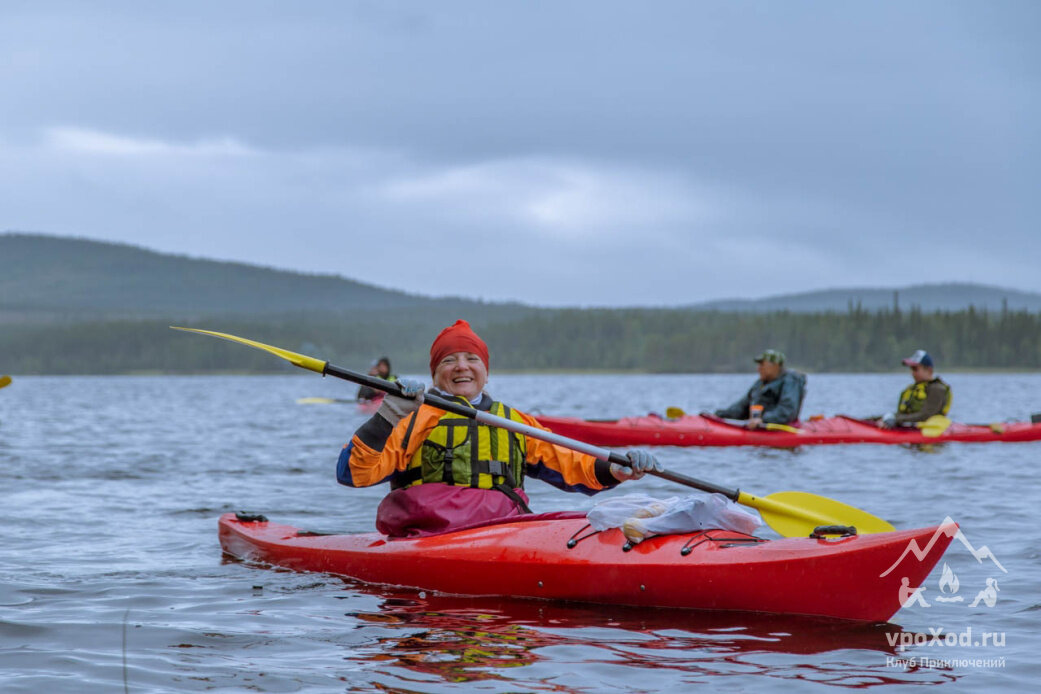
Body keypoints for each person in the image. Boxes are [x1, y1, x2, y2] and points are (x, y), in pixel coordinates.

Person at [337, 319, 662, 537]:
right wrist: (389, 413)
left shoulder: (514, 423)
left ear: (485, 372)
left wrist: (618, 469)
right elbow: (353, 473)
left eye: (471, 358)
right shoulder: (410, 419)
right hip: (427, 539)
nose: (462, 366)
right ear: (435, 374)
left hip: (502, 535)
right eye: (449, 360)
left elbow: (573, 464)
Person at [713, 349, 806, 429]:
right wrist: (719, 415)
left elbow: (787, 410)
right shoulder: (760, 384)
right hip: (758, 426)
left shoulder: (791, 381)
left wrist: (763, 420)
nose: (759, 369)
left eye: (762, 365)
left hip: (778, 428)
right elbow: (741, 407)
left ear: (775, 366)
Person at [879, 350, 951, 428]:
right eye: (911, 369)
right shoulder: (910, 390)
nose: (912, 373)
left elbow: (926, 415)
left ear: (929, 370)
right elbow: (901, 415)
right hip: (909, 428)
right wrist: (884, 419)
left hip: (931, 430)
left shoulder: (937, 389)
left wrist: (896, 419)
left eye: (915, 369)